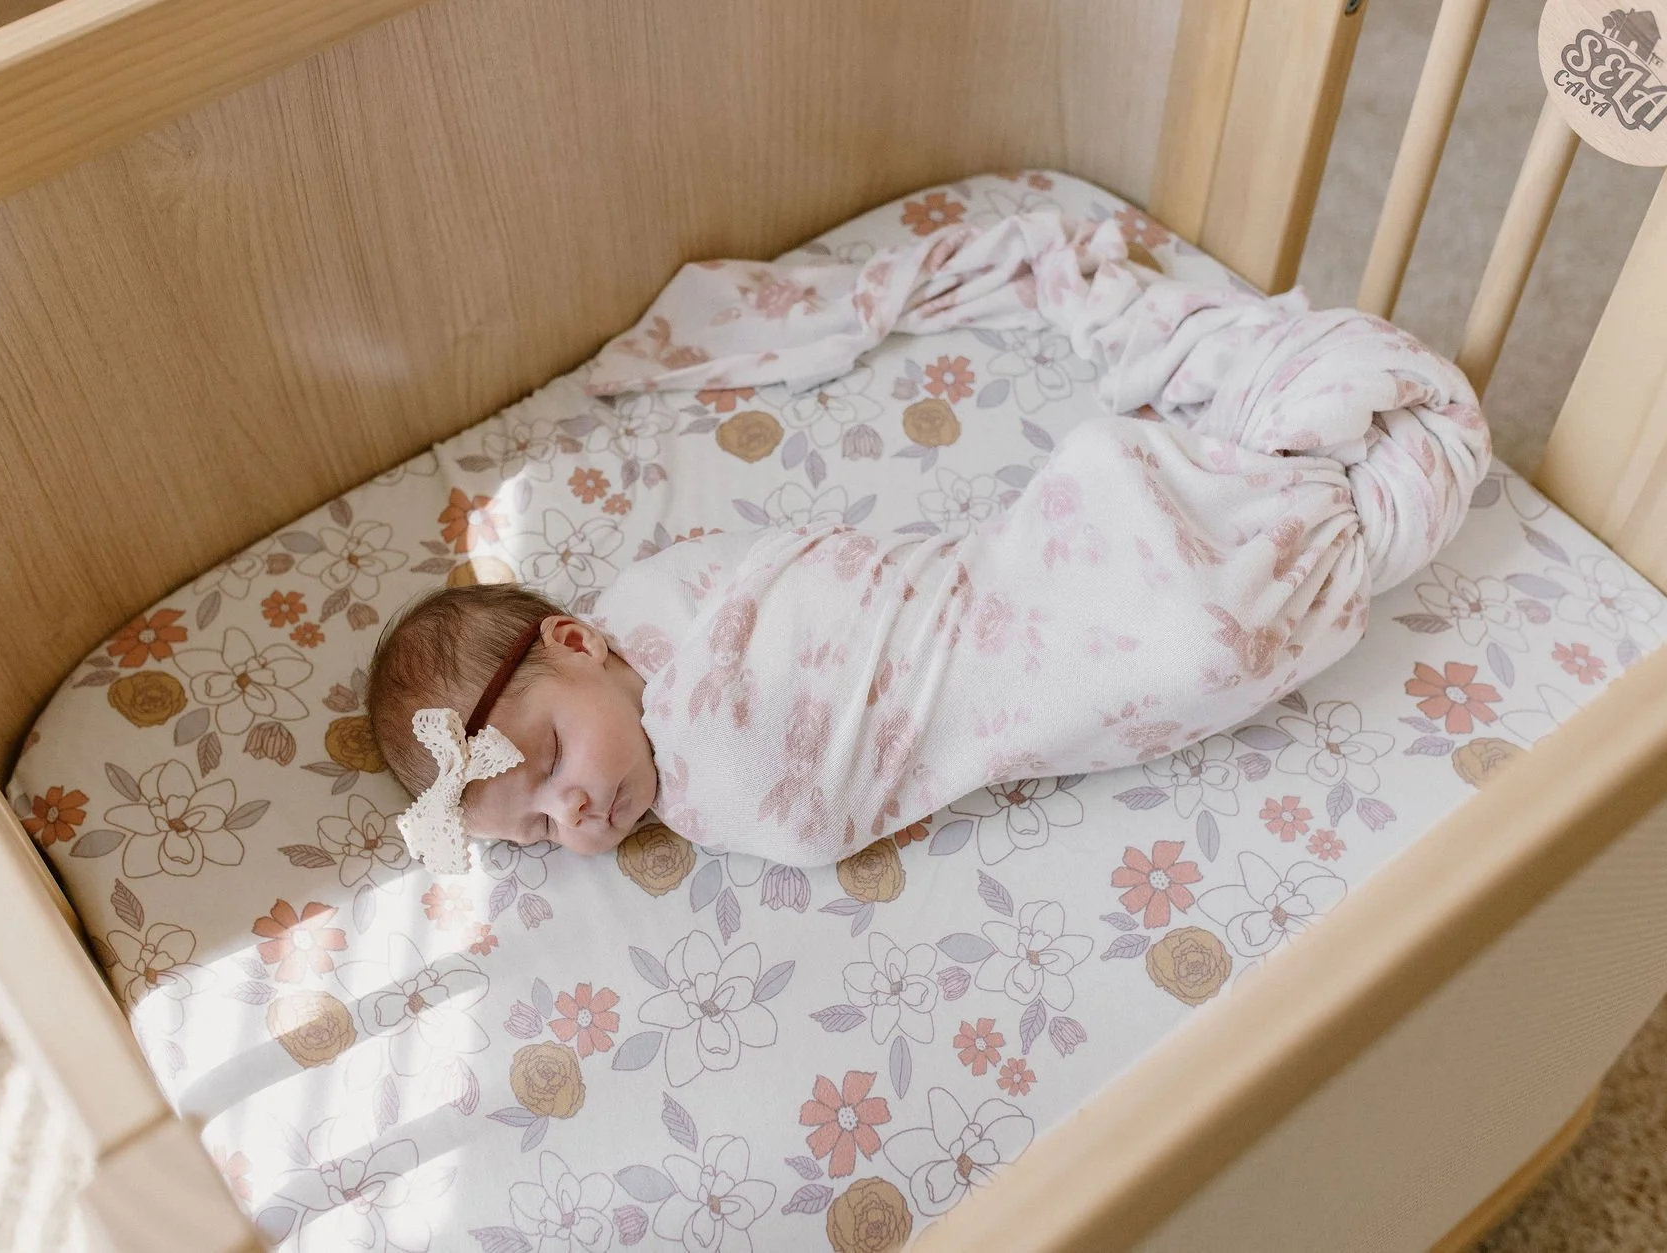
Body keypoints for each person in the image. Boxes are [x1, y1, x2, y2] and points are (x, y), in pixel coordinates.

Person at [366, 208, 1487, 872]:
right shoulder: (702, 801)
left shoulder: (664, 601)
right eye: (534, 832)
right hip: (1034, 692)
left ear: (575, 640)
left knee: (1160, 579)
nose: (573, 812)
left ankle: (1273, 467)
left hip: (1016, 578)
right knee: (1197, 649)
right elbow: (812, 809)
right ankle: (1308, 507)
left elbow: (827, 579)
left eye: (553, 762)